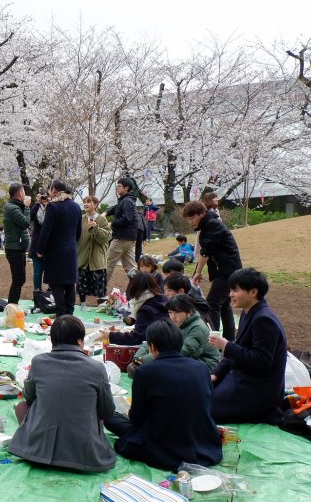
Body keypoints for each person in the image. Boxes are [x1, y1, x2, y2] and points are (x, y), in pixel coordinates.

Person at [105, 320, 222, 470]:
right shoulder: (202, 368)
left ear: (152, 346)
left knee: (111, 418)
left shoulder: (145, 372)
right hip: (203, 440)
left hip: (165, 443)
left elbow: (137, 419)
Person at [8, 315, 115, 472]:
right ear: (80, 341)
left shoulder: (38, 362)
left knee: (22, 407)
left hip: (40, 452)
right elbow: (107, 411)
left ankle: (38, 446)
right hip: (84, 454)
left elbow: (29, 397)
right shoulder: (96, 368)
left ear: (52, 340)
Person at [209, 268, 288, 425]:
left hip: (258, 389)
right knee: (202, 393)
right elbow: (238, 347)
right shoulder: (249, 312)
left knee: (206, 410)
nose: (230, 294)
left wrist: (226, 346)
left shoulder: (264, 320)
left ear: (253, 292)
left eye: (235, 290)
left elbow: (262, 360)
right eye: (230, 289)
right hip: (242, 376)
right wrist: (216, 374)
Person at [183, 200, 242, 340]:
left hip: (227, 270)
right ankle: (228, 339)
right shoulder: (209, 224)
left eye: (192, 218)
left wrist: (197, 272)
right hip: (227, 269)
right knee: (225, 304)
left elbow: (206, 252)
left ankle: (212, 340)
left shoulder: (212, 224)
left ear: (202, 213)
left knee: (212, 304)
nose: (191, 222)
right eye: (188, 219)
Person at [35, 180, 82, 316]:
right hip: (71, 249)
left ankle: (61, 313)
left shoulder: (53, 207)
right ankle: (70, 313)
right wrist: (72, 242)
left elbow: (46, 232)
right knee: (69, 283)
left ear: (54, 190)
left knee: (57, 283)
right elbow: (79, 231)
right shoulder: (76, 207)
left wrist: (40, 249)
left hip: (55, 250)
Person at [99, 272, 168, 346]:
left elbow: (136, 338)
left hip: (158, 347)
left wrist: (110, 336)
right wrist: (130, 319)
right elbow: (144, 322)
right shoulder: (162, 299)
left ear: (135, 288)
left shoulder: (146, 309)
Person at [104, 177, 138, 291]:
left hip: (121, 238)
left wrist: (111, 223)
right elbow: (117, 207)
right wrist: (106, 212)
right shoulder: (127, 200)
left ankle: (100, 287)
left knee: (108, 264)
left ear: (126, 188)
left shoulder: (127, 201)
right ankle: (139, 288)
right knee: (131, 267)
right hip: (130, 238)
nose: (117, 188)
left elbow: (127, 219)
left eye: (119, 186)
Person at [77, 196, 110, 311]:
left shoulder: (102, 220)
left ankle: (101, 306)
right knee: (82, 284)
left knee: (99, 285)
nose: (86, 204)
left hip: (97, 258)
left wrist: (96, 228)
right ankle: (82, 305)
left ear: (95, 205)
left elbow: (104, 239)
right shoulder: (80, 219)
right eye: (84, 202)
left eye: (89, 202)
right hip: (83, 256)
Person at [3, 183, 31, 305]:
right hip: (14, 249)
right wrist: (27, 207)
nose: (25, 194)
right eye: (23, 191)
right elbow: (25, 223)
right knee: (18, 280)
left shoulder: (13, 206)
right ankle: (12, 307)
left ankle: (13, 306)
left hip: (17, 247)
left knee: (19, 279)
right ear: (20, 194)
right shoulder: (13, 208)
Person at [29, 193, 48, 295]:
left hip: (49, 246)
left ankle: (51, 293)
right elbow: (31, 217)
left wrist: (48, 204)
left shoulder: (52, 208)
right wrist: (37, 203)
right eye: (40, 197)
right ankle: (37, 292)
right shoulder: (36, 207)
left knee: (50, 271)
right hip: (36, 243)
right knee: (37, 271)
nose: (43, 199)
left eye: (44, 197)